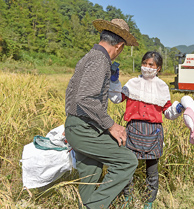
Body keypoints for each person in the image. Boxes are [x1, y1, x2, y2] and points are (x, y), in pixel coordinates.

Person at [64, 18, 139, 209]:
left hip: (79, 125)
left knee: (91, 171)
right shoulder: (100, 60)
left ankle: (87, 205)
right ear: (120, 46)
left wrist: (71, 124)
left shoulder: (90, 56)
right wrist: (111, 125)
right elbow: (86, 98)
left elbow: (72, 92)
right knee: (127, 161)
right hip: (84, 127)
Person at [109, 51, 184, 209]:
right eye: (144, 63)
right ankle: (127, 196)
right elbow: (116, 98)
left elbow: (168, 113)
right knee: (128, 165)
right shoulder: (132, 83)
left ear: (158, 68)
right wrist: (114, 80)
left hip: (153, 131)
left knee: (152, 170)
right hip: (133, 129)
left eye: (151, 65)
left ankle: (149, 200)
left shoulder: (162, 87)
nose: (147, 67)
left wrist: (178, 108)